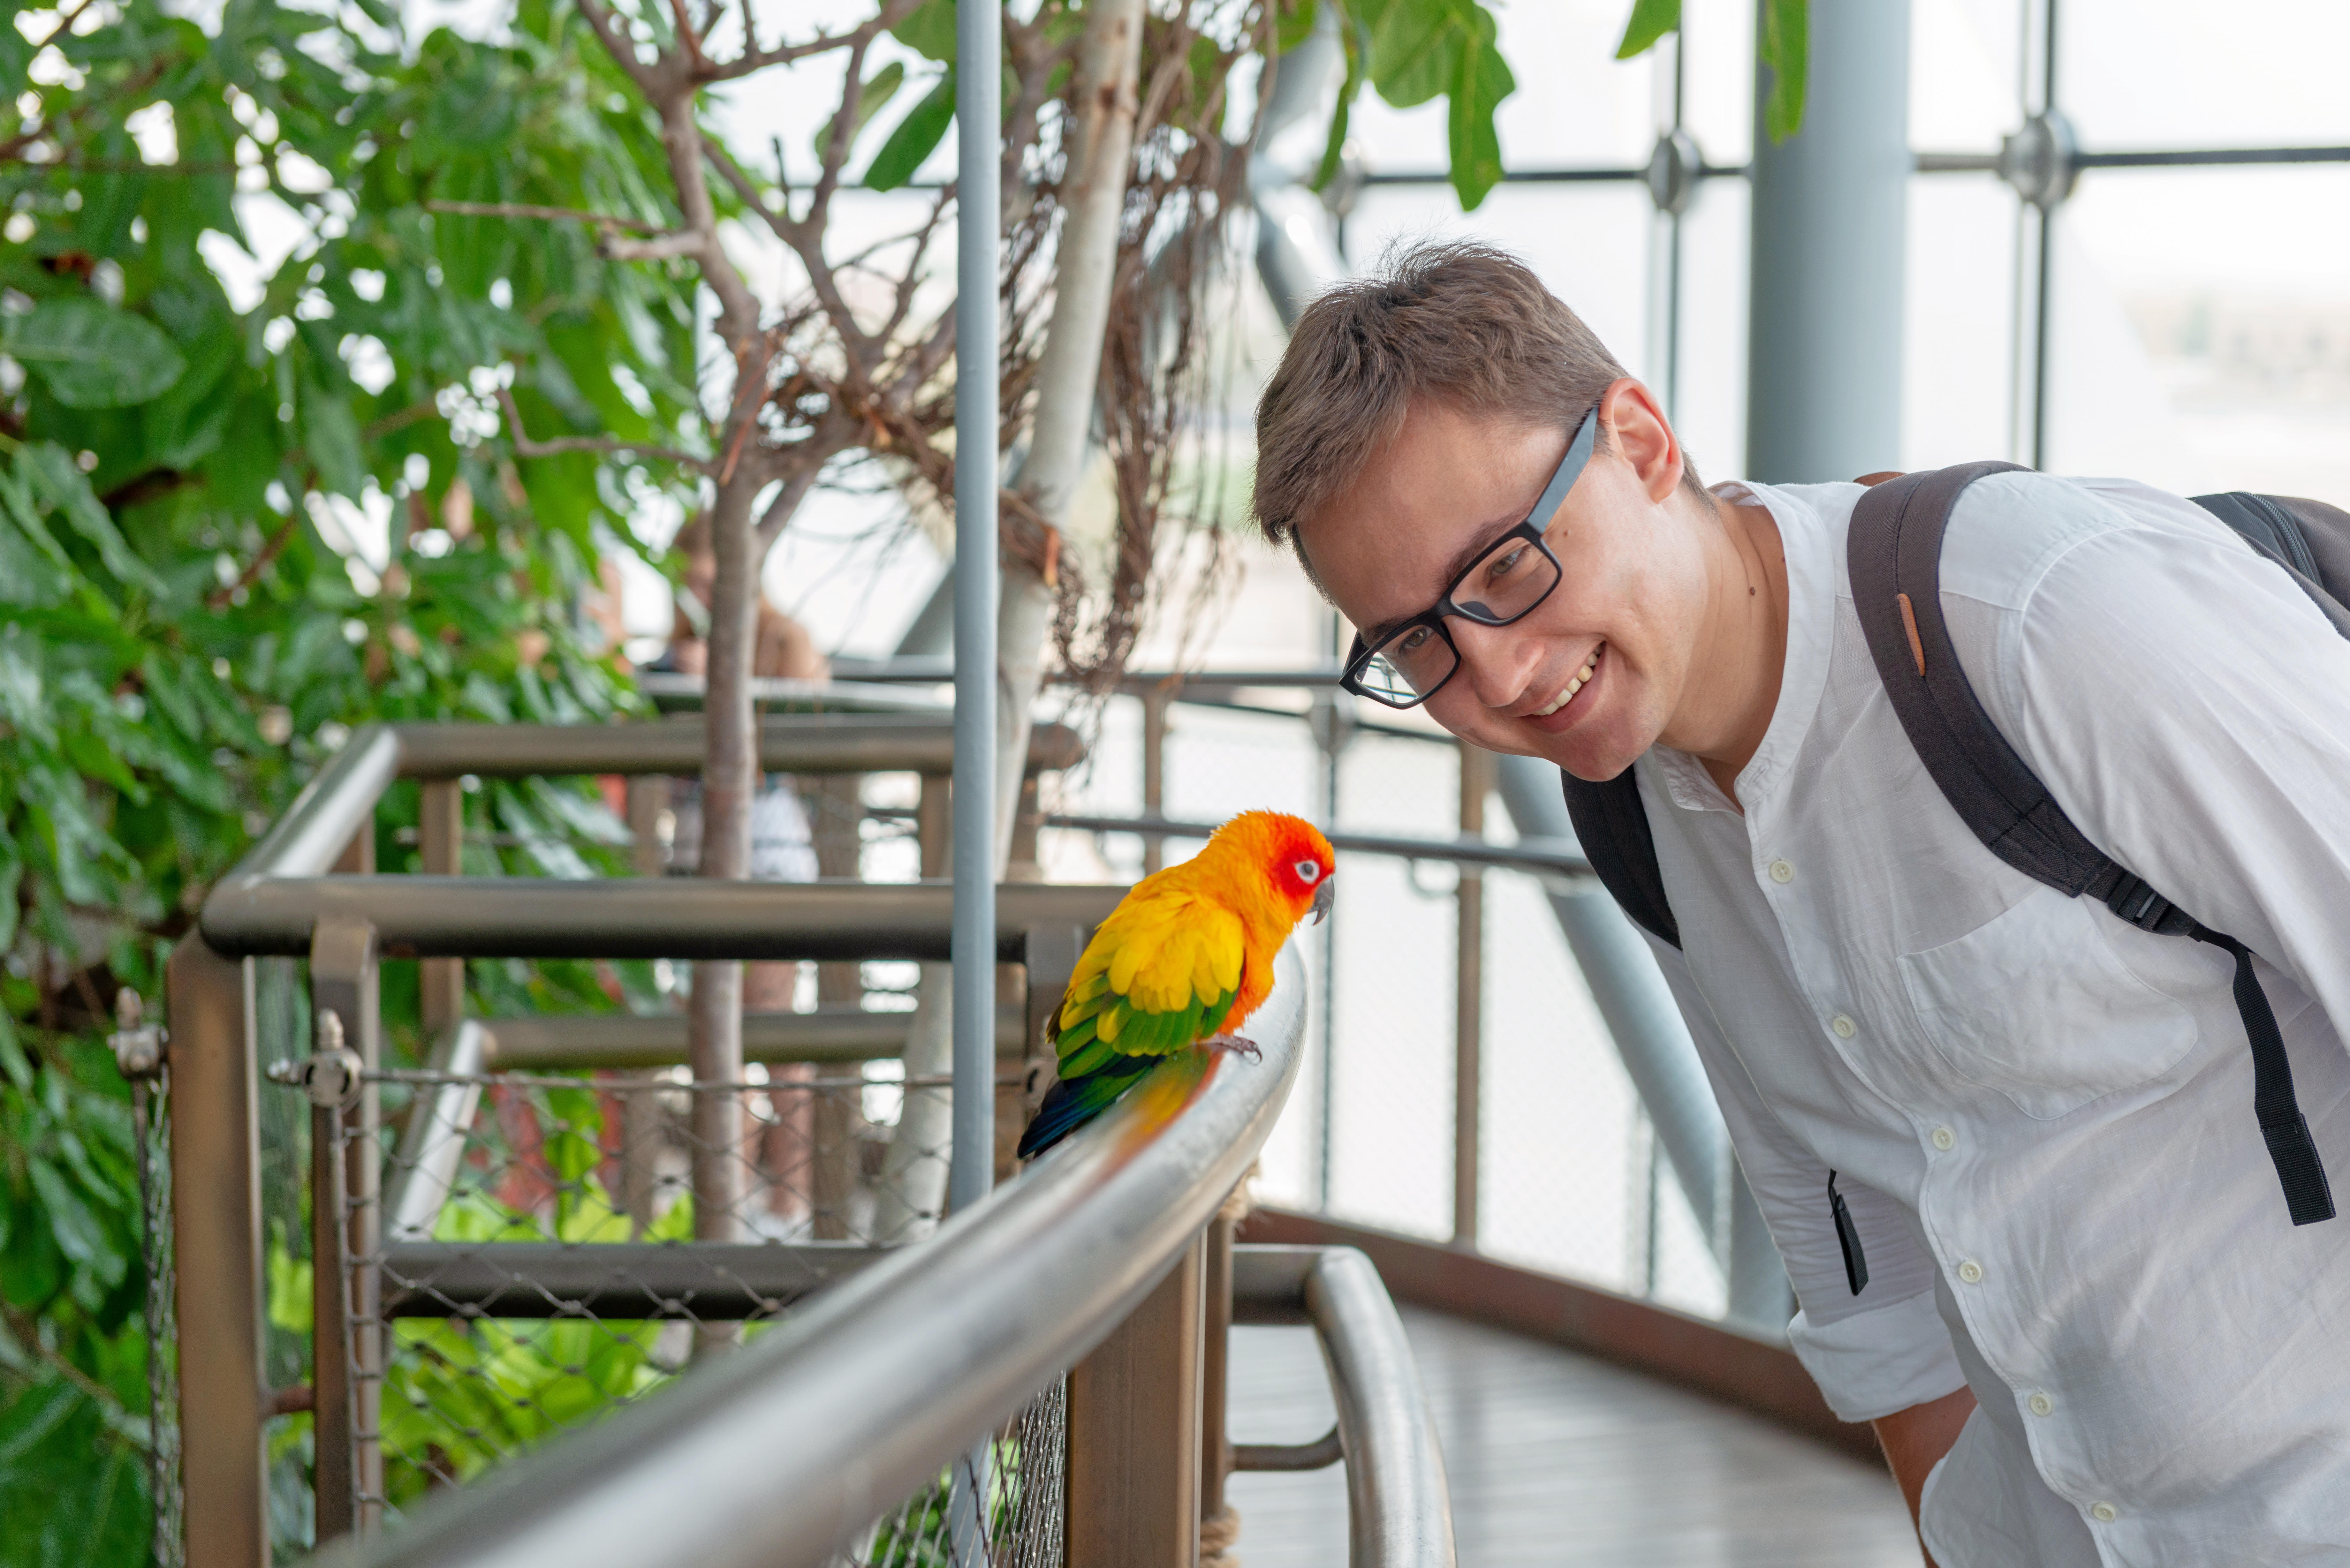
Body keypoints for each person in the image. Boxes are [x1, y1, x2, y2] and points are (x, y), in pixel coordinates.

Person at [1250, 241, 2350, 1567]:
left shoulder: (2043, 615)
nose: (1495, 675)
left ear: (1640, 441)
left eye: (1504, 567)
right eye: (1417, 641)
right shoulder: (1636, 808)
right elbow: (1849, 1239)